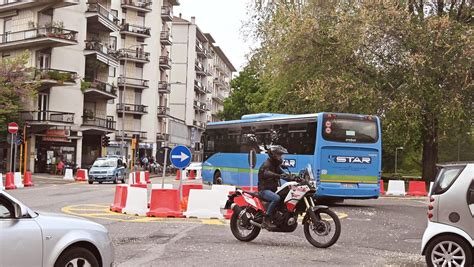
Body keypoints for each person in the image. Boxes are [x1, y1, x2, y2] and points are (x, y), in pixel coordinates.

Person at [258, 145, 293, 229]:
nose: (280, 157)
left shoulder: (276, 165)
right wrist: (277, 175)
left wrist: (293, 178)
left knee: (284, 196)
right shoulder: (267, 164)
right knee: (276, 198)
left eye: (281, 155)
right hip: (264, 190)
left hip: (273, 189)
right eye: (279, 155)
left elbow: (283, 174)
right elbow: (266, 173)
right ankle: (266, 219)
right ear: (273, 155)